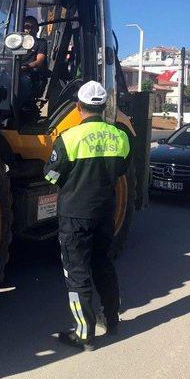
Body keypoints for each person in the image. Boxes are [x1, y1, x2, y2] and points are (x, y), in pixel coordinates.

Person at [43, 80, 130, 351]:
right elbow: (121, 169)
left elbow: (51, 175)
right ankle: (112, 320)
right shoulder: (120, 136)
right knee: (103, 264)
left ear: (79, 107)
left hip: (74, 215)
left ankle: (84, 334)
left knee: (77, 273)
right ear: (103, 108)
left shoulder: (68, 138)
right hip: (105, 212)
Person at [17, 16, 47, 113]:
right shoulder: (16, 42)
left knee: (23, 82)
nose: (29, 30)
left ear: (37, 29)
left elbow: (40, 60)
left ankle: (18, 108)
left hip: (29, 73)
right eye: (26, 26)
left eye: (32, 27)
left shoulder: (41, 42)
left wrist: (26, 67)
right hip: (14, 70)